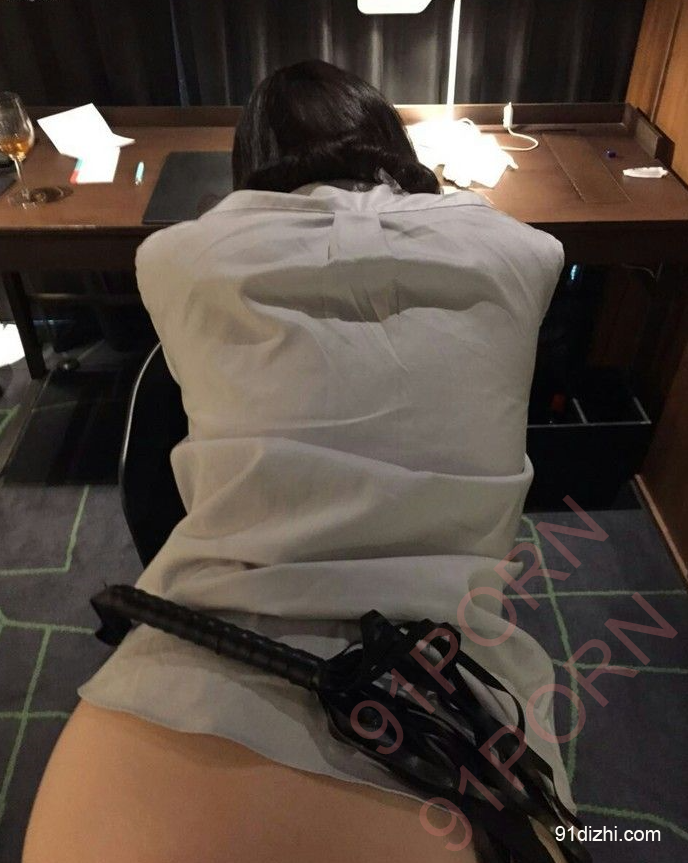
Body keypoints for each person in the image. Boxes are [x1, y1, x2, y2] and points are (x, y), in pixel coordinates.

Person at [24, 60, 570, 863]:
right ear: (391, 144)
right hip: (445, 664)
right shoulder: (525, 251)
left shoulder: (176, 256)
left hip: (210, 634)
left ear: (250, 165)